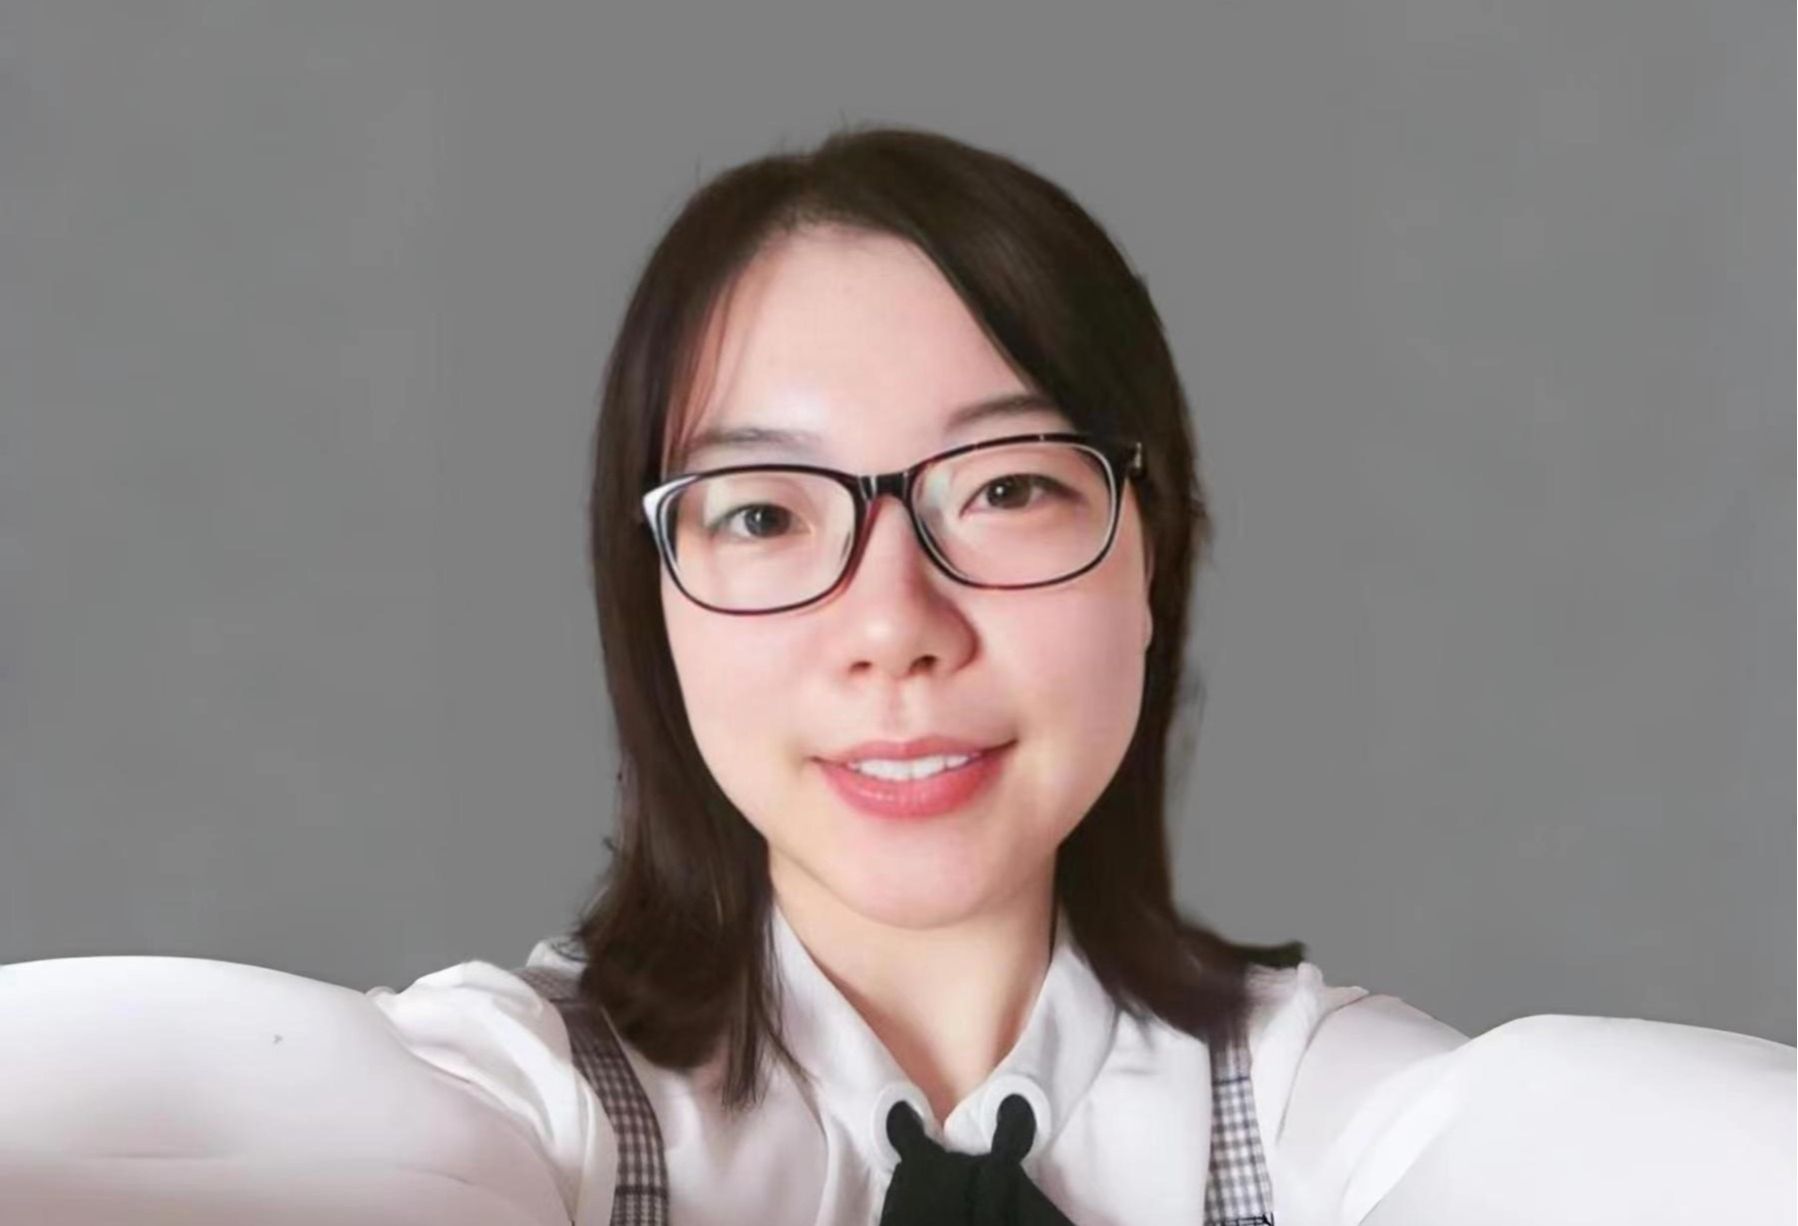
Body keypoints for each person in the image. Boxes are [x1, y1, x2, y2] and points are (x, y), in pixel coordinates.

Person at [357, 124, 1792, 1225]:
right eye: (762, 514)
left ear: (1152, 554)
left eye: (1005, 489)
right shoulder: (527, 1110)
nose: (893, 624)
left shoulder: (1324, 1123)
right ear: (654, 599)